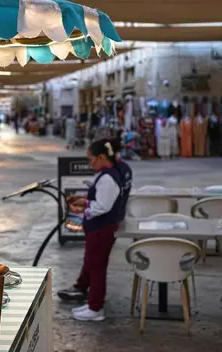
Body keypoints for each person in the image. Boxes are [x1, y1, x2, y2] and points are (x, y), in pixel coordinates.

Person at [58, 137, 133, 321]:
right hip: (105, 225)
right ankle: (90, 300)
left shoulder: (107, 178)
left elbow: (102, 207)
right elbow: (105, 200)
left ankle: (95, 308)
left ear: (101, 157)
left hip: (101, 228)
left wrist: (82, 209)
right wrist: (85, 200)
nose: (90, 164)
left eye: (91, 159)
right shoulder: (118, 170)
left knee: (97, 267)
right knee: (94, 263)